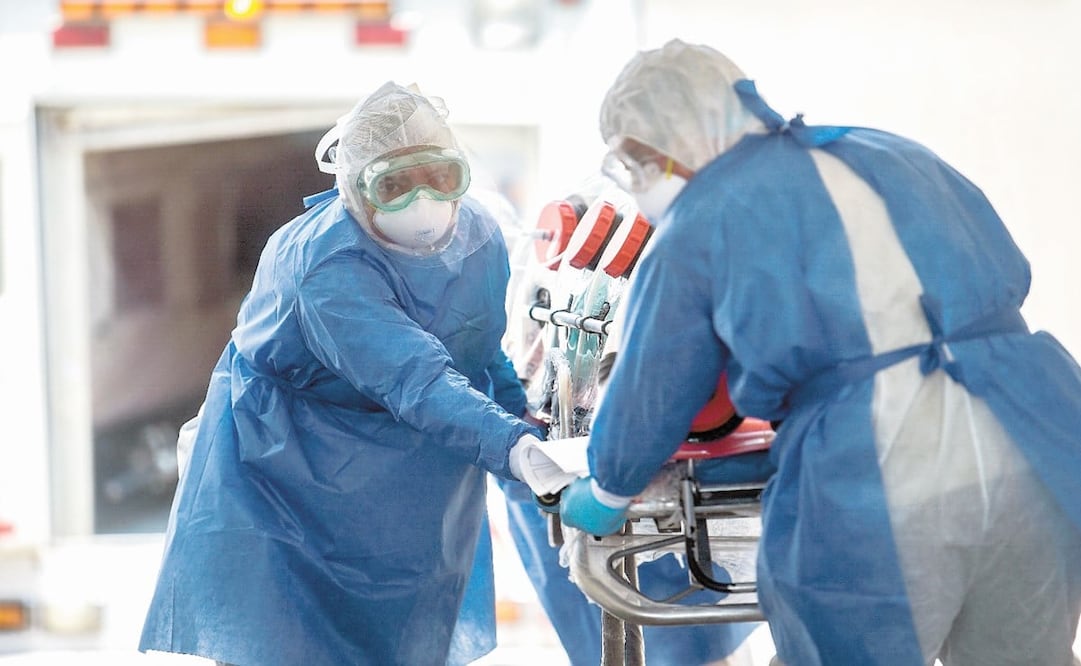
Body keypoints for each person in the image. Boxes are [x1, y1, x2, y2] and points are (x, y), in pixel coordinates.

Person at [559, 38, 1081, 666]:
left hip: (880, 468)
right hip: (1039, 429)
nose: (639, 181)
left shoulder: (699, 221)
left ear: (665, 145)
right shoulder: (893, 152)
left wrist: (606, 492)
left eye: (635, 163)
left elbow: (653, 388)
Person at [139, 81, 545, 666]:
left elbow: (476, 349)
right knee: (289, 637)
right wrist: (513, 449)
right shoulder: (325, 262)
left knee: (403, 634)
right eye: (395, 186)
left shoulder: (478, 235)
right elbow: (416, 378)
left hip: (413, 480)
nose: (423, 201)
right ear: (356, 189)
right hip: (287, 469)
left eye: (440, 177)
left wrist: (523, 424)